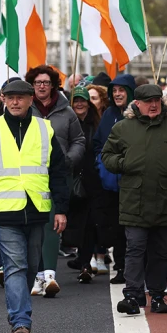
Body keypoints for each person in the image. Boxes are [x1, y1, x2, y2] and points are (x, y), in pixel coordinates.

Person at [0, 79, 69, 333]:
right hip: (3, 211)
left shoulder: (45, 129)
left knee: (31, 266)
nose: (14, 102)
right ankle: (21, 321)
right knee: (14, 267)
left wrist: (61, 209)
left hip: (36, 209)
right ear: (3, 99)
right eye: (10, 97)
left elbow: (58, 171)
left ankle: (20, 313)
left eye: (20, 97)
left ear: (31, 99)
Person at [102, 84, 167, 315]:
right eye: (148, 101)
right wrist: (124, 164)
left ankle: (157, 296)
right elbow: (107, 155)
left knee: (162, 250)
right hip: (134, 200)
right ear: (137, 104)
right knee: (135, 249)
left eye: (157, 100)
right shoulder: (123, 128)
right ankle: (133, 296)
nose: (153, 105)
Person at [25, 65, 85, 298]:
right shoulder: (24, 109)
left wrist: (68, 160)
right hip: (31, 175)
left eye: (46, 82)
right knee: (34, 226)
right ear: (32, 86)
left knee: (52, 223)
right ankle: (37, 276)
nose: (42, 86)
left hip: (58, 176)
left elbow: (79, 140)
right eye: (37, 82)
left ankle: (49, 274)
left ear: (53, 85)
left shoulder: (67, 112)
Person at [93, 73, 136, 284]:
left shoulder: (138, 113)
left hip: (135, 182)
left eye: (121, 90)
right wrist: (102, 166)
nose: (117, 94)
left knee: (134, 229)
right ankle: (121, 267)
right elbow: (98, 144)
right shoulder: (109, 114)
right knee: (117, 228)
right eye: (114, 90)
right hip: (111, 184)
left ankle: (135, 269)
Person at [65, 87, 102, 283]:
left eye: (83, 100)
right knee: (72, 222)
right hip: (70, 179)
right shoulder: (67, 123)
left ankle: (85, 263)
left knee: (89, 224)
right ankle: (79, 257)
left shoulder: (96, 124)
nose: (79, 104)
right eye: (75, 100)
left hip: (91, 181)